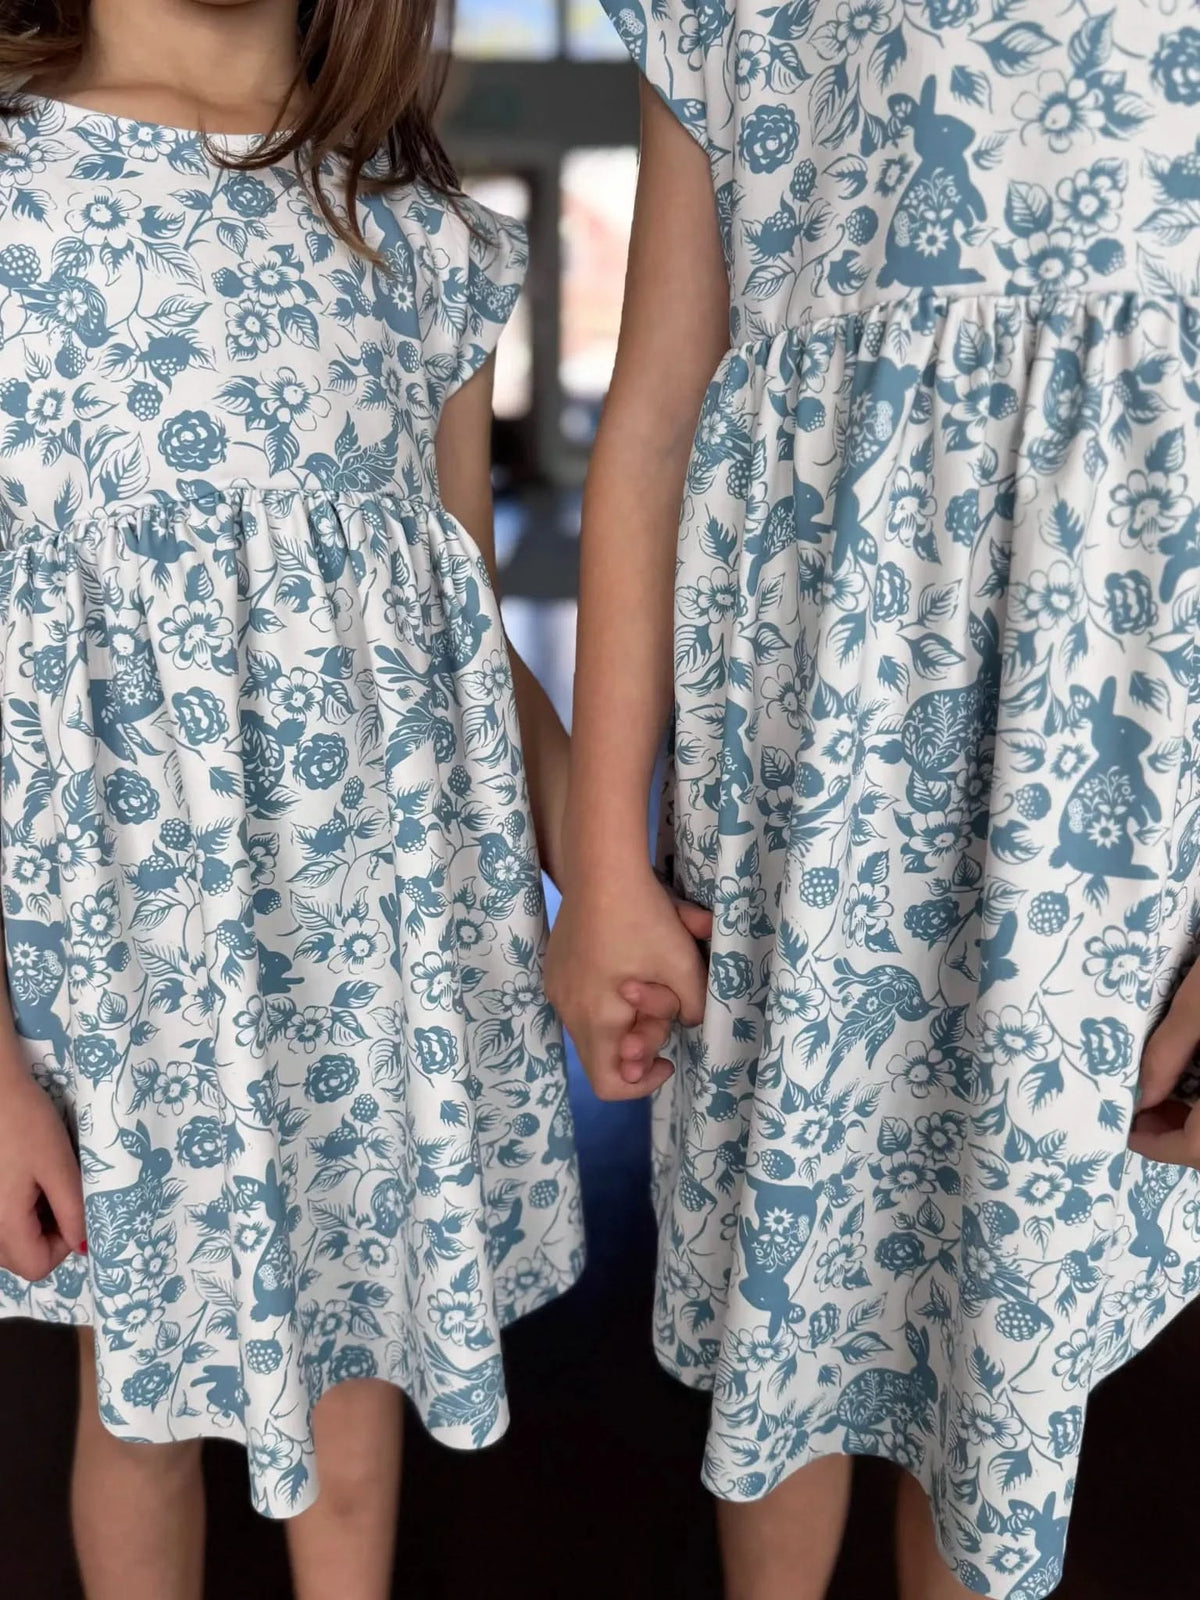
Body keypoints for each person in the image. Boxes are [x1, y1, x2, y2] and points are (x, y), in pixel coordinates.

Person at [547, 1, 1200, 1596]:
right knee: (802, 1265)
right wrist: (601, 863)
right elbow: (652, 417)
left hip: (1100, 791)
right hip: (803, 776)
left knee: (1001, 1331)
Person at [0, 3, 584, 1597]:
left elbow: (463, 613)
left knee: (356, 1375)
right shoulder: (14, 187)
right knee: (140, 1403)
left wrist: (594, 867)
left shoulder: (413, 223)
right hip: (121, 973)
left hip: (374, 946)